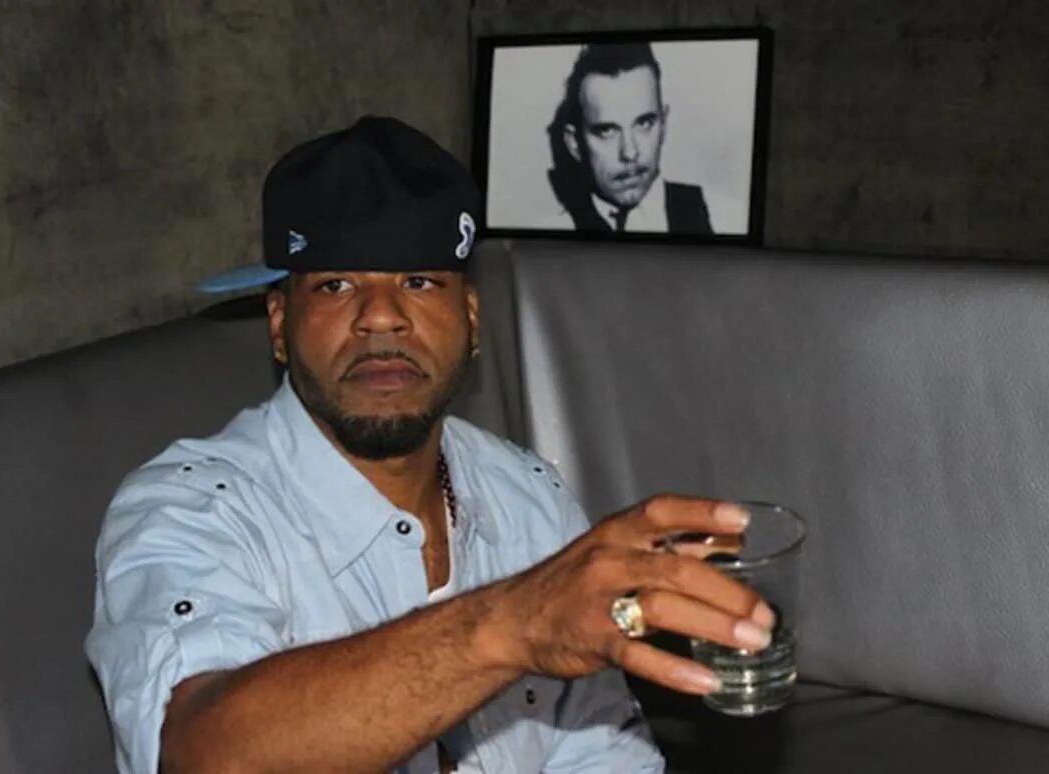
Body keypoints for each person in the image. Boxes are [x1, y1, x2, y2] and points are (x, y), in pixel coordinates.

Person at [85, 115, 774, 774]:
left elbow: (601, 757)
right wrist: (514, 624)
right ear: (278, 323)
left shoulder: (525, 493)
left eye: (419, 281)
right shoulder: (192, 508)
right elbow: (205, 755)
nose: (381, 317)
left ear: (470, 318)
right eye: (336, 283)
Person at [546, 43, 714, 235]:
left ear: (664, 124)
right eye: (607, 131)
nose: (630, 153)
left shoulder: (724, 217)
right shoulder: (551, 235)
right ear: (574, 144)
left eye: (644, 124)